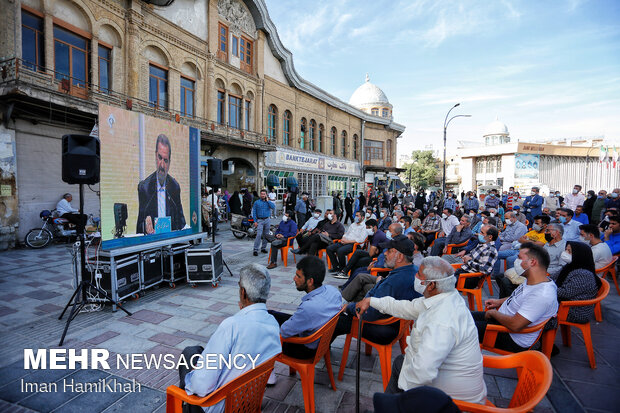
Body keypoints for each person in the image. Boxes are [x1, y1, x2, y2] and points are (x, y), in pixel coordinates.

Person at [356, 257, 486, 403]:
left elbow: (422, 374)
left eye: (419, 275)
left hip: (451, 400)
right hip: (440, 379)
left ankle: (391, 405)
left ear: (430, 285)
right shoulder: (445, 297)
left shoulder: (442, 321)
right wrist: (372, 301)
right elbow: (407, 307)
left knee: (400, 377)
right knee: (400, 362)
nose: (415, 277)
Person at [180, 264, 281, 413]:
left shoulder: (232, 326)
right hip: (247, 400)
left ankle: (183, 404)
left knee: (188, 354)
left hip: (218, 407)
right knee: (196, 351)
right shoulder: (273, 324)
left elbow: (201, 388)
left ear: (243, 292)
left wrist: (196, 375)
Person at [333, 236, 420, 350]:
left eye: (389, 251)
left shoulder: (394, 281)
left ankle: (316, 351)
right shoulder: (413, 270)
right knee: (361, 285)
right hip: (396, 324)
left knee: (335, 320)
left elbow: (369, 313)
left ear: (399, 257)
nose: (385, 253)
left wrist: (348, 308)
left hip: (382, 328)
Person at [472, 242, 558, 352]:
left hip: (509, 336)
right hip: (502, 321)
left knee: (457, 328)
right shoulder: (533, 281)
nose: (516, 262)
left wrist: (494, 313)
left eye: (519, 258)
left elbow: (515, 325)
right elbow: (520, 297)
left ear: (532, 262)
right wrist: (499, 302)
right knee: (461, 316)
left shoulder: (542, 295)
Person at [267, 256, 342, 383]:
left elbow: (284, 332)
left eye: (298, 276)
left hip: (305, 349)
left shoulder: (309, 308)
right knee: (269, 314)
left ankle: (268, 374)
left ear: (310, 281)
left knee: (264, 330)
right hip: (321, 341)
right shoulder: (333, 291)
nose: (294, 279)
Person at [136, 134, 186, 234]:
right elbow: (139, 226)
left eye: (166, 160)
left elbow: (181, 222)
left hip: (170, 241)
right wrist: (145, 228)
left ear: (170, 162)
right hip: (153, 242)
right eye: (160, 158)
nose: (162, 165)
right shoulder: (144, 187)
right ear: (155, 156)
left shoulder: (175, 187)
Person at [552, 242, 602, 323]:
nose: (565, 253)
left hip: (573, 311)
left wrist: (546, 286)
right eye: (566, 250)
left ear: (579, 255)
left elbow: (564, 293)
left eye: (569, 251)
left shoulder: (584, 275)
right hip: (564, 303)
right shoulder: (570, 266)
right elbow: (553, 277)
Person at [251, 189, 276, 256]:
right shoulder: (256, 202)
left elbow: (273, 207)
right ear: (260, 194)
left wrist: (268, 201)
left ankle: (263, 248)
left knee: (266, 235)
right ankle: (255, 249)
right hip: (260, 220)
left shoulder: (268, 202)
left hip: (267, 220)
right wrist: (255, 221)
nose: (262, 195)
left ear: (266, 195)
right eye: (261, 194)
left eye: (264, 194)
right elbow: (254, 212)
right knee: (259, 234)